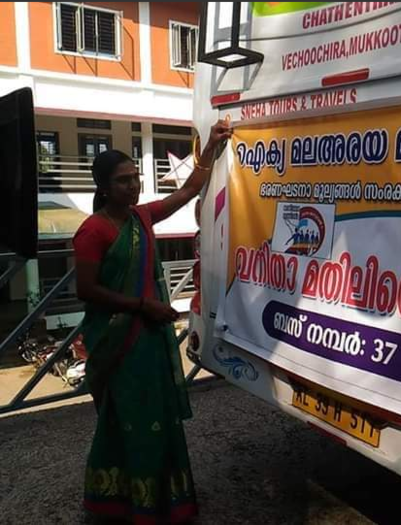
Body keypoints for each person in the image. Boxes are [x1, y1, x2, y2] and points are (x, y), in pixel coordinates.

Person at [73, 121, 231, 523]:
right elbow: (87, 290)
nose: (133, 186)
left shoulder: (140, 219)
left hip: (148, 338)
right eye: (123, 181)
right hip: (119, 339)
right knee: (128, 417)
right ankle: (118, 499)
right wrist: (143, 306)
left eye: (135, 178)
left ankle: (163, 497)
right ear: (103, 188)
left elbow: (188, 191)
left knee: (156, 416)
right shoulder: (93, 231)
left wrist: (211, 145)